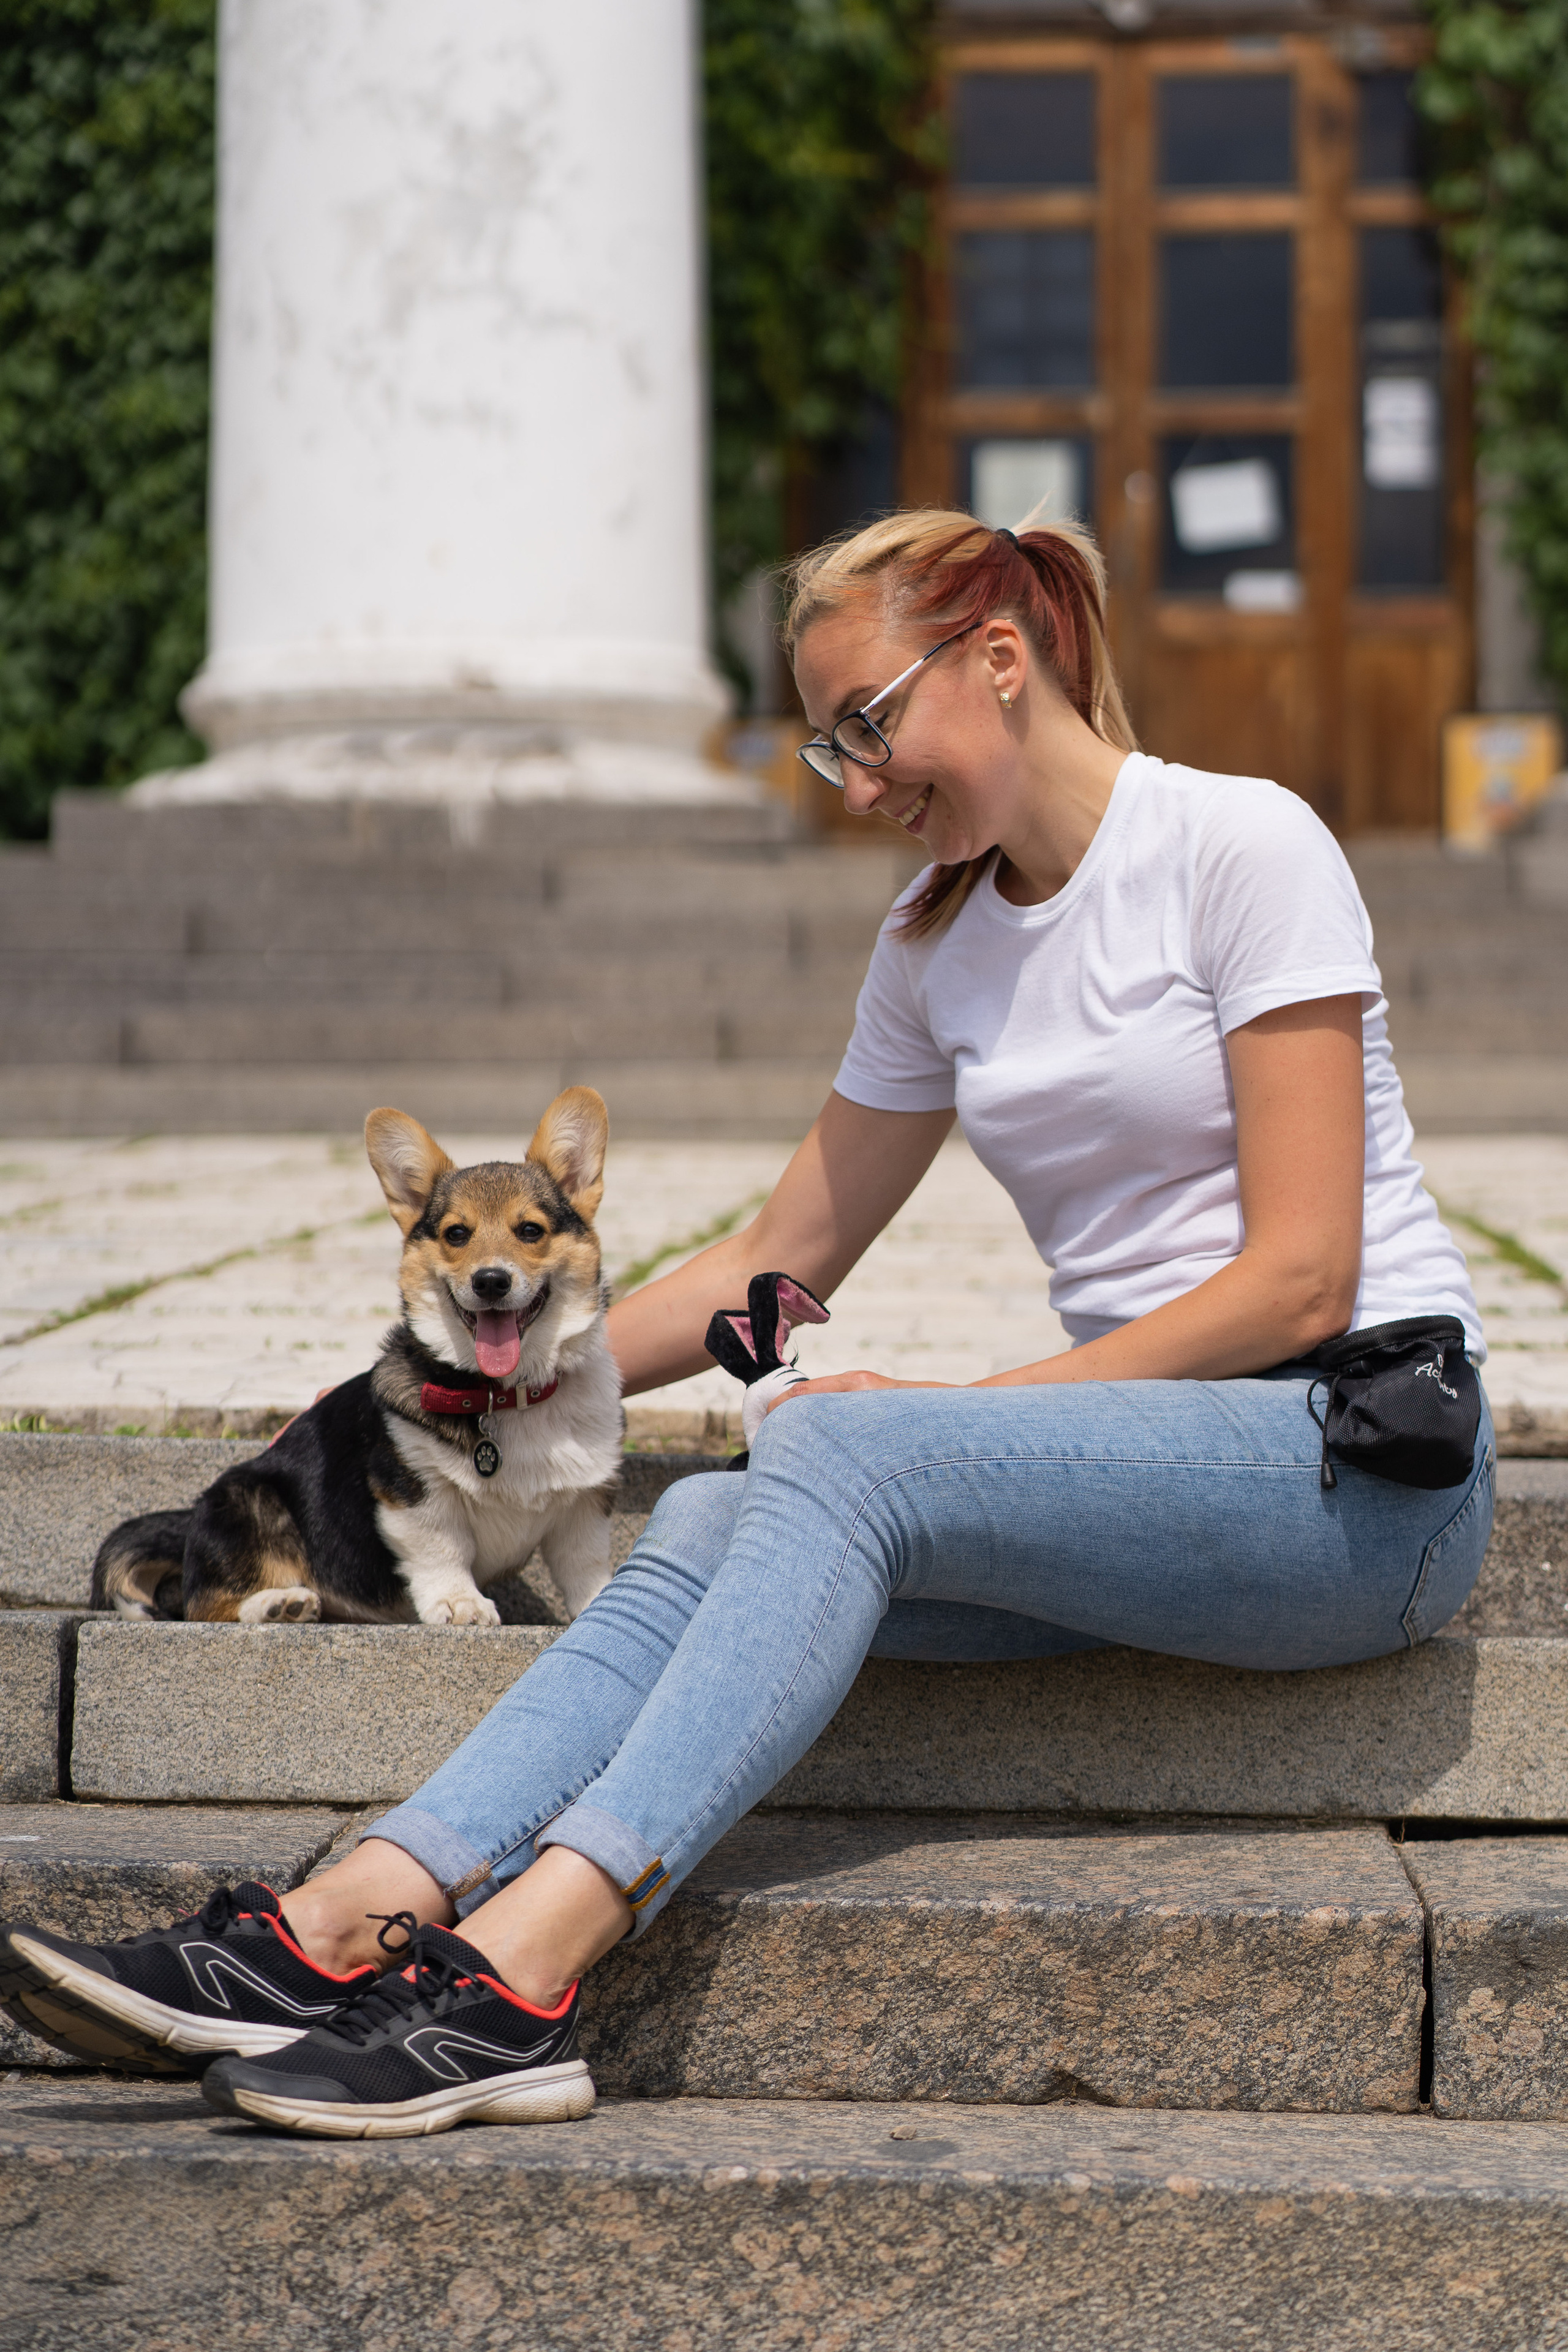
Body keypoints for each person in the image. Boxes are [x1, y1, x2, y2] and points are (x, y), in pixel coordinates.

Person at [0, 509, 1491, 2138]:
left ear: (1000, 662)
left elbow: (1303, 1280)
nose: (857, 785)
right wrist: (472, 1386)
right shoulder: (937, 941)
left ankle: (521, 1978)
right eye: (825, 745)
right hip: (1143, 1489)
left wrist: (961, 1426)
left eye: (873, 724)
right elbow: (777, 1266)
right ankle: (337, 1923)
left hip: (1358, 1476)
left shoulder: (1238, 847)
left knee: (845, 1450)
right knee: (715, 1508)